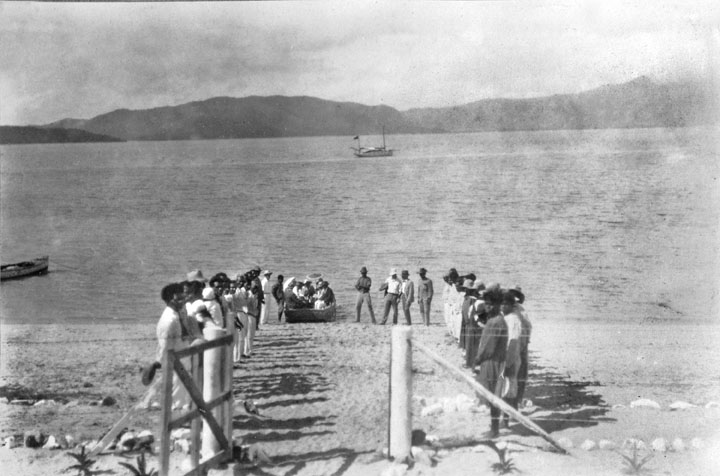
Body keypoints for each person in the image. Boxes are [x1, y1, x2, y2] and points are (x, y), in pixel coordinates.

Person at [145, 283, 191, 410]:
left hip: (182, 357)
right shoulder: (169, 320)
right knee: (177, 389)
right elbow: (165, 346)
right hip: (175, 360)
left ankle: (150, 402)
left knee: (179, 388)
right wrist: (160, 362)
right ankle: (175, 414)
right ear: (173, 297)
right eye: (181, 295)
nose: (185, 297)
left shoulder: (178, 313)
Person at [473, 286, 508, 438]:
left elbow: (488, 347)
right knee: (494, 395)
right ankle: (495, 427)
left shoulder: (495, 322)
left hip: (492, 362)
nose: (487, 306)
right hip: (496, 361)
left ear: (497, 304)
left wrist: (477, 359)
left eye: (490, 304)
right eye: (486, 303)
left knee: (493, 396)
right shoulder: (498, 320)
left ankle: (494, 430)